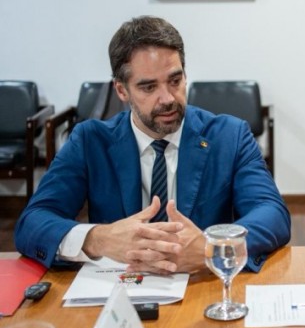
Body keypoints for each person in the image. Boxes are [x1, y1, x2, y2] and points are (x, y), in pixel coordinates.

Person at [14, 16, 290, 274]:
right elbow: (33, 222)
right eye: (148, 87)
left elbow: (272, 214)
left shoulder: (229, 136)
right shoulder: (90, 140)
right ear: (122, 90)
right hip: (118, 291)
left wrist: (214, 248)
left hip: (201, 285)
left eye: (175, 80)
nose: (168, 98)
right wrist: (98, 239)